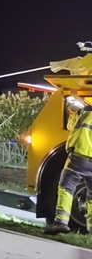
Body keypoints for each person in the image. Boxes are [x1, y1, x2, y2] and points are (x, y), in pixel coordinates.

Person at [44, 97, 92, 235]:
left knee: (66, 187)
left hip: (80, 155)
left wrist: (71, 111)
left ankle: (60, 223)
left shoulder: (84, 111)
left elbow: (71, 126)